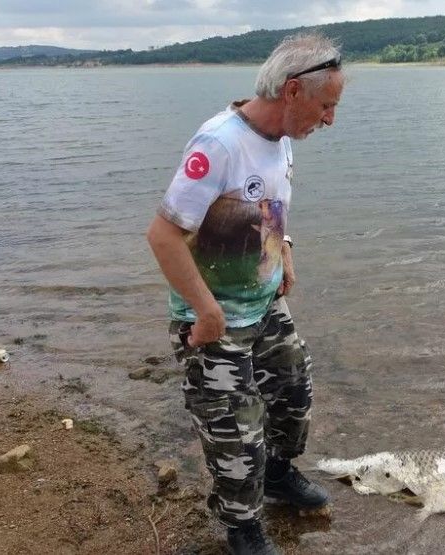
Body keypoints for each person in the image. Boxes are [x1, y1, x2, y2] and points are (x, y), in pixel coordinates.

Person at [146, 33, 344, 555]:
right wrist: (205, 312)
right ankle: (242, 526)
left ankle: (277, 477)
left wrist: (286, 256)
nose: (330, 119)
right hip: (214, 317)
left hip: (263, 303)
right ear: (294, 91)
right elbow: (163, 235)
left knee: (293, 395)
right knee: (236, 432)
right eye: (327, 106)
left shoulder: (279, 142)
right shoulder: (219, 143)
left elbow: (270, 208)